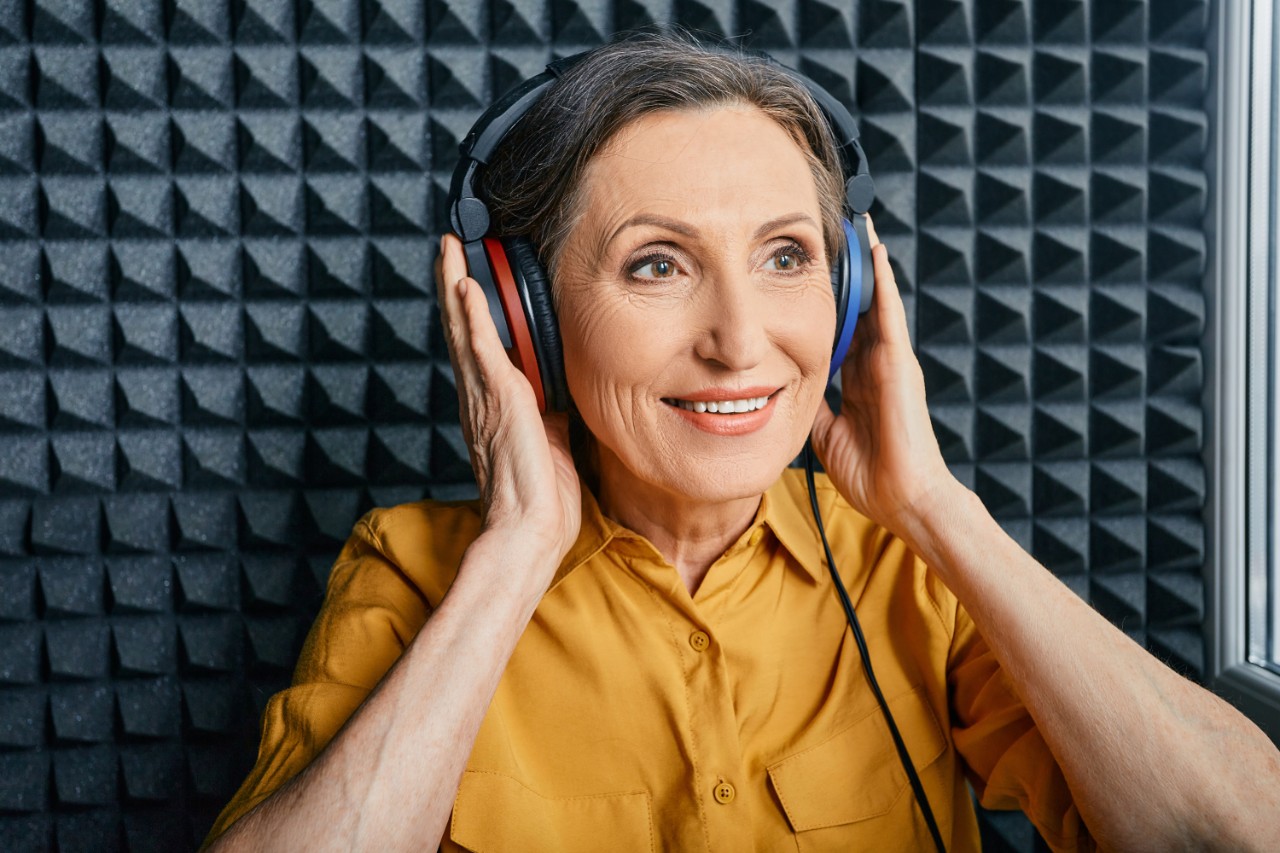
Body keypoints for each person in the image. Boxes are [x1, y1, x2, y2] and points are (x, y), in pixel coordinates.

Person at [202, 32, 1280, 852]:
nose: (739, 342)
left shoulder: (905, 568)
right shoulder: (414, 575)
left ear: (849, 298)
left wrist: (937, 509)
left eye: (784, 257)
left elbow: (1237, 832)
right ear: (522, 318)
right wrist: (516, 556)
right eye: (656, 264)